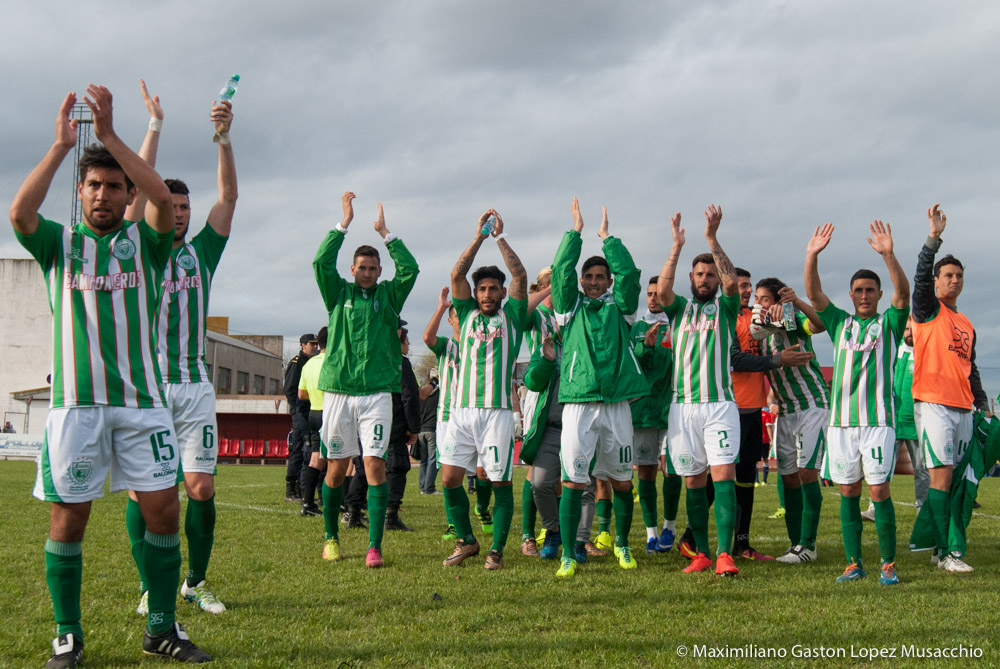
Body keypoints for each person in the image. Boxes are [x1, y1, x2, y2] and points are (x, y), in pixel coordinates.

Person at [11, 85, 209, 666]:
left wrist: (111, 137)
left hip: (143, 405)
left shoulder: (148, 245)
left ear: (127, 195)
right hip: (76, 406)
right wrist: (60, 146)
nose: (103, 193)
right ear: (81, 191)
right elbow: (20, 214)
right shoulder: (59, 243)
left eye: (114, 186)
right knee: (69, 519)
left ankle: (161, 627)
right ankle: (68, 635)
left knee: (163, 511)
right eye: (94, 184)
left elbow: (161, 196)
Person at [121, 81, 237, 617]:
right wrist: (155, 126)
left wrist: (224, 139)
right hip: (145, 389)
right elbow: (135, 192)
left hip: (193, 389)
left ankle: (195, 581)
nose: (181, 213)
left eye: (186, 206)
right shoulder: (136, 251)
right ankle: (150, 585)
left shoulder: (202, 255)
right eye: (171, 205)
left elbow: (228, 199)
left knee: (200, 489)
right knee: (143, 494)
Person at [314, 192, 419, 568]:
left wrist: (386, 234)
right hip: (340, 391)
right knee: (336, 468)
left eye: (374, 268)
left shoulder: (389, 296)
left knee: (374, 465)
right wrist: (343, 224)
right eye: (362, 267)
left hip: (377, 393)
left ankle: (374, 546)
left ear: (379, 270)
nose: (368, 273)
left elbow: (411, 270)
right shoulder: (338, 293)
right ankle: (331, 537)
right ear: (353, 268)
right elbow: (320, 262)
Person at [804, 221, 909, 585]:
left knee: (879, 492)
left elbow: (903, 295)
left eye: (870, 290)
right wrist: (811, 255)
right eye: (859, 290)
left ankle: (888, 564)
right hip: (841, 425)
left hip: (878, 423)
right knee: (848, 491)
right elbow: (814, 293)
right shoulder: (839, 323)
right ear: (850, 295)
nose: (864, 295)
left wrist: (888, 255)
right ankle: (854, 564)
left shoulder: (890, 323)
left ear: (879, 294)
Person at [550, 199, 648, 578]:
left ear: (608, 282)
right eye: (588, 277)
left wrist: (608, 239)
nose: (593, 282)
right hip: (579, 404)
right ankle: (568, 554)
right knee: (573, 481)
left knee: (622, 481)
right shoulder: (568, 309)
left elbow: (630, 276)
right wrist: (575, 232)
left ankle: (622, 543)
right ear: (581, 281)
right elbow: (561, 271)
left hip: (617, 405)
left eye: (600, 277)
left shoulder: (621, 308)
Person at [439, 208, 528, 570]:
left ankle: (497, 550)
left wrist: (499, 237)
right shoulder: (466, 313)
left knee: (499, 482)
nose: (487, 294)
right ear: (474, 293)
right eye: (482, 289)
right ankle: (466, 540)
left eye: (493, 288)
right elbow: (456, 274)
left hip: (497, 414)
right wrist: (479, 235)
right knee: (449, 479)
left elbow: (520, 274)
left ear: (503, 292)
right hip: (461, 413)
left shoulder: (513, 316)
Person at [656, 205, 741, 577]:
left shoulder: (725, 309)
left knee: (722, 476)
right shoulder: (679, 310)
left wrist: (712, 239)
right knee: (692, 480)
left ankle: (725, 554)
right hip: (683, 408)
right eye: (700, 274)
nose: (705, 279)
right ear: (691, 278)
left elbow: (733, 284)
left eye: (710, 275)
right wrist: (677, 247)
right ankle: (702, 553)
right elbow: (662, 290)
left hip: (719, 405)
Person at [911, 205, 988, 572]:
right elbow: (920, 277)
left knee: (957, 480)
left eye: (959, 275)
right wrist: (933, 239)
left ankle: (940, 548)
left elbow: (971, 368)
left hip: (964, 408)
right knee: (940, 476)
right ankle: (945, 553)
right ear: (937, 282)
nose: (954, 280)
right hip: (934, 404)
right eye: (948, 275)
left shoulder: (967, 323)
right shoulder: (928, 310)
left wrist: (982, 402)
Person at [752, 279, 830, 565]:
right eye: (756, 298)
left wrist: (795, 302)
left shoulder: (792, 320)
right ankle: (796, 543)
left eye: (764, 299)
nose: (758, 304)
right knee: (787, 477)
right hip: (784, 411)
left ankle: (808, 546)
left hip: (812, 405)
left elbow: (820, 324)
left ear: (777, 301)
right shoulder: (757, 333)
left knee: (807, 472)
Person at [630, 276, 681, 555]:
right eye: (649, 294)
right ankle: (651, 533)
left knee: (672, 469)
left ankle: (669, 527)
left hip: (673, 408)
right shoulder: (636, 328)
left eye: (657, 294)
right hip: (644, 410)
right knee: (646, 471)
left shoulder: (678, 324)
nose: (653, 298)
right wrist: (646, 347)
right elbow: (632, 363)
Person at [422, 286, 464, 539]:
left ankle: (482, 508)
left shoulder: (479, 345)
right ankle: (453, 523)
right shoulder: (446, 346)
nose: (461, 319)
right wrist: (441, 307)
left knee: (482, 472)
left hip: (474, 414)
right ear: (450, 321)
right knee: (449, 472)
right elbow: (428, 338)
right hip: (447, 416)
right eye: (457, 315)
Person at [385, 325, 420, 531]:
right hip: (394, 421)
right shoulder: (400, 362)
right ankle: (390, 515)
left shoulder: (375, 358)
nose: (409, 344)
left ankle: (352, 509)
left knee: (365, 465)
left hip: (370, 420)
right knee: (396, 466)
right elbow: (409, 394)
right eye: (406, 340)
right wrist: (413, 427)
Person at [298, 327, 329, 517]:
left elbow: (301, 394)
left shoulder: (309, 364)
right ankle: (345, 505)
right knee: (344, 459)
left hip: (314, 413)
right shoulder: (333, 361)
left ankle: (308, 503)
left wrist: (316, 395)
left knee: (316, 457)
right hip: (331, 413)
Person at [284, 334, 318, 501]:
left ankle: (301, 487)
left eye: (316, 344)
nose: (315, 347)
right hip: (301, 412)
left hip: (312, 411)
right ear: (303, 345)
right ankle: (290, 489)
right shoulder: (297, 363)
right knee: (298, 448)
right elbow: (290, 389)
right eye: (312, 344)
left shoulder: (314, 362)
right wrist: (297, 410)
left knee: (308, 450)